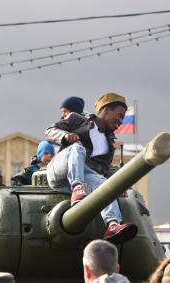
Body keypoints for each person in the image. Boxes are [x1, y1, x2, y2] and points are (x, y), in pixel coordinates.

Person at [45, 92, 137, 244]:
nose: (121, 121)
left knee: (106, 186)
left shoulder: (109, 144)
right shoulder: (77, 119)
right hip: (60, 170)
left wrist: (121, 184)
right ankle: (77, 187)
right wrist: (65, 136)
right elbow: (49, 131)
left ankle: (113, 224)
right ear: (106, 110)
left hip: (85, 177)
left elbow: (105, 170)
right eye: (119, 115)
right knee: (78, 148)